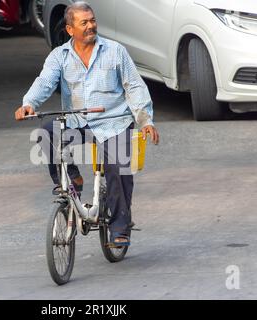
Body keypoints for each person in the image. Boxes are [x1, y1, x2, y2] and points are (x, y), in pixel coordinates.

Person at [15, 1, 159, 247]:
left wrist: (145, 120)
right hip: (77, 121)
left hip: (114, 122)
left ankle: (120, 227)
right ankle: (71, 178)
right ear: (70, 29)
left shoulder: (115, 51)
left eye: (92, 20)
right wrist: (29, 103)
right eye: (84, 22)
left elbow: (134, 86)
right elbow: (45, 82)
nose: (91, 26)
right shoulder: (59, 56)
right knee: (47, 132)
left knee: (118, 168)